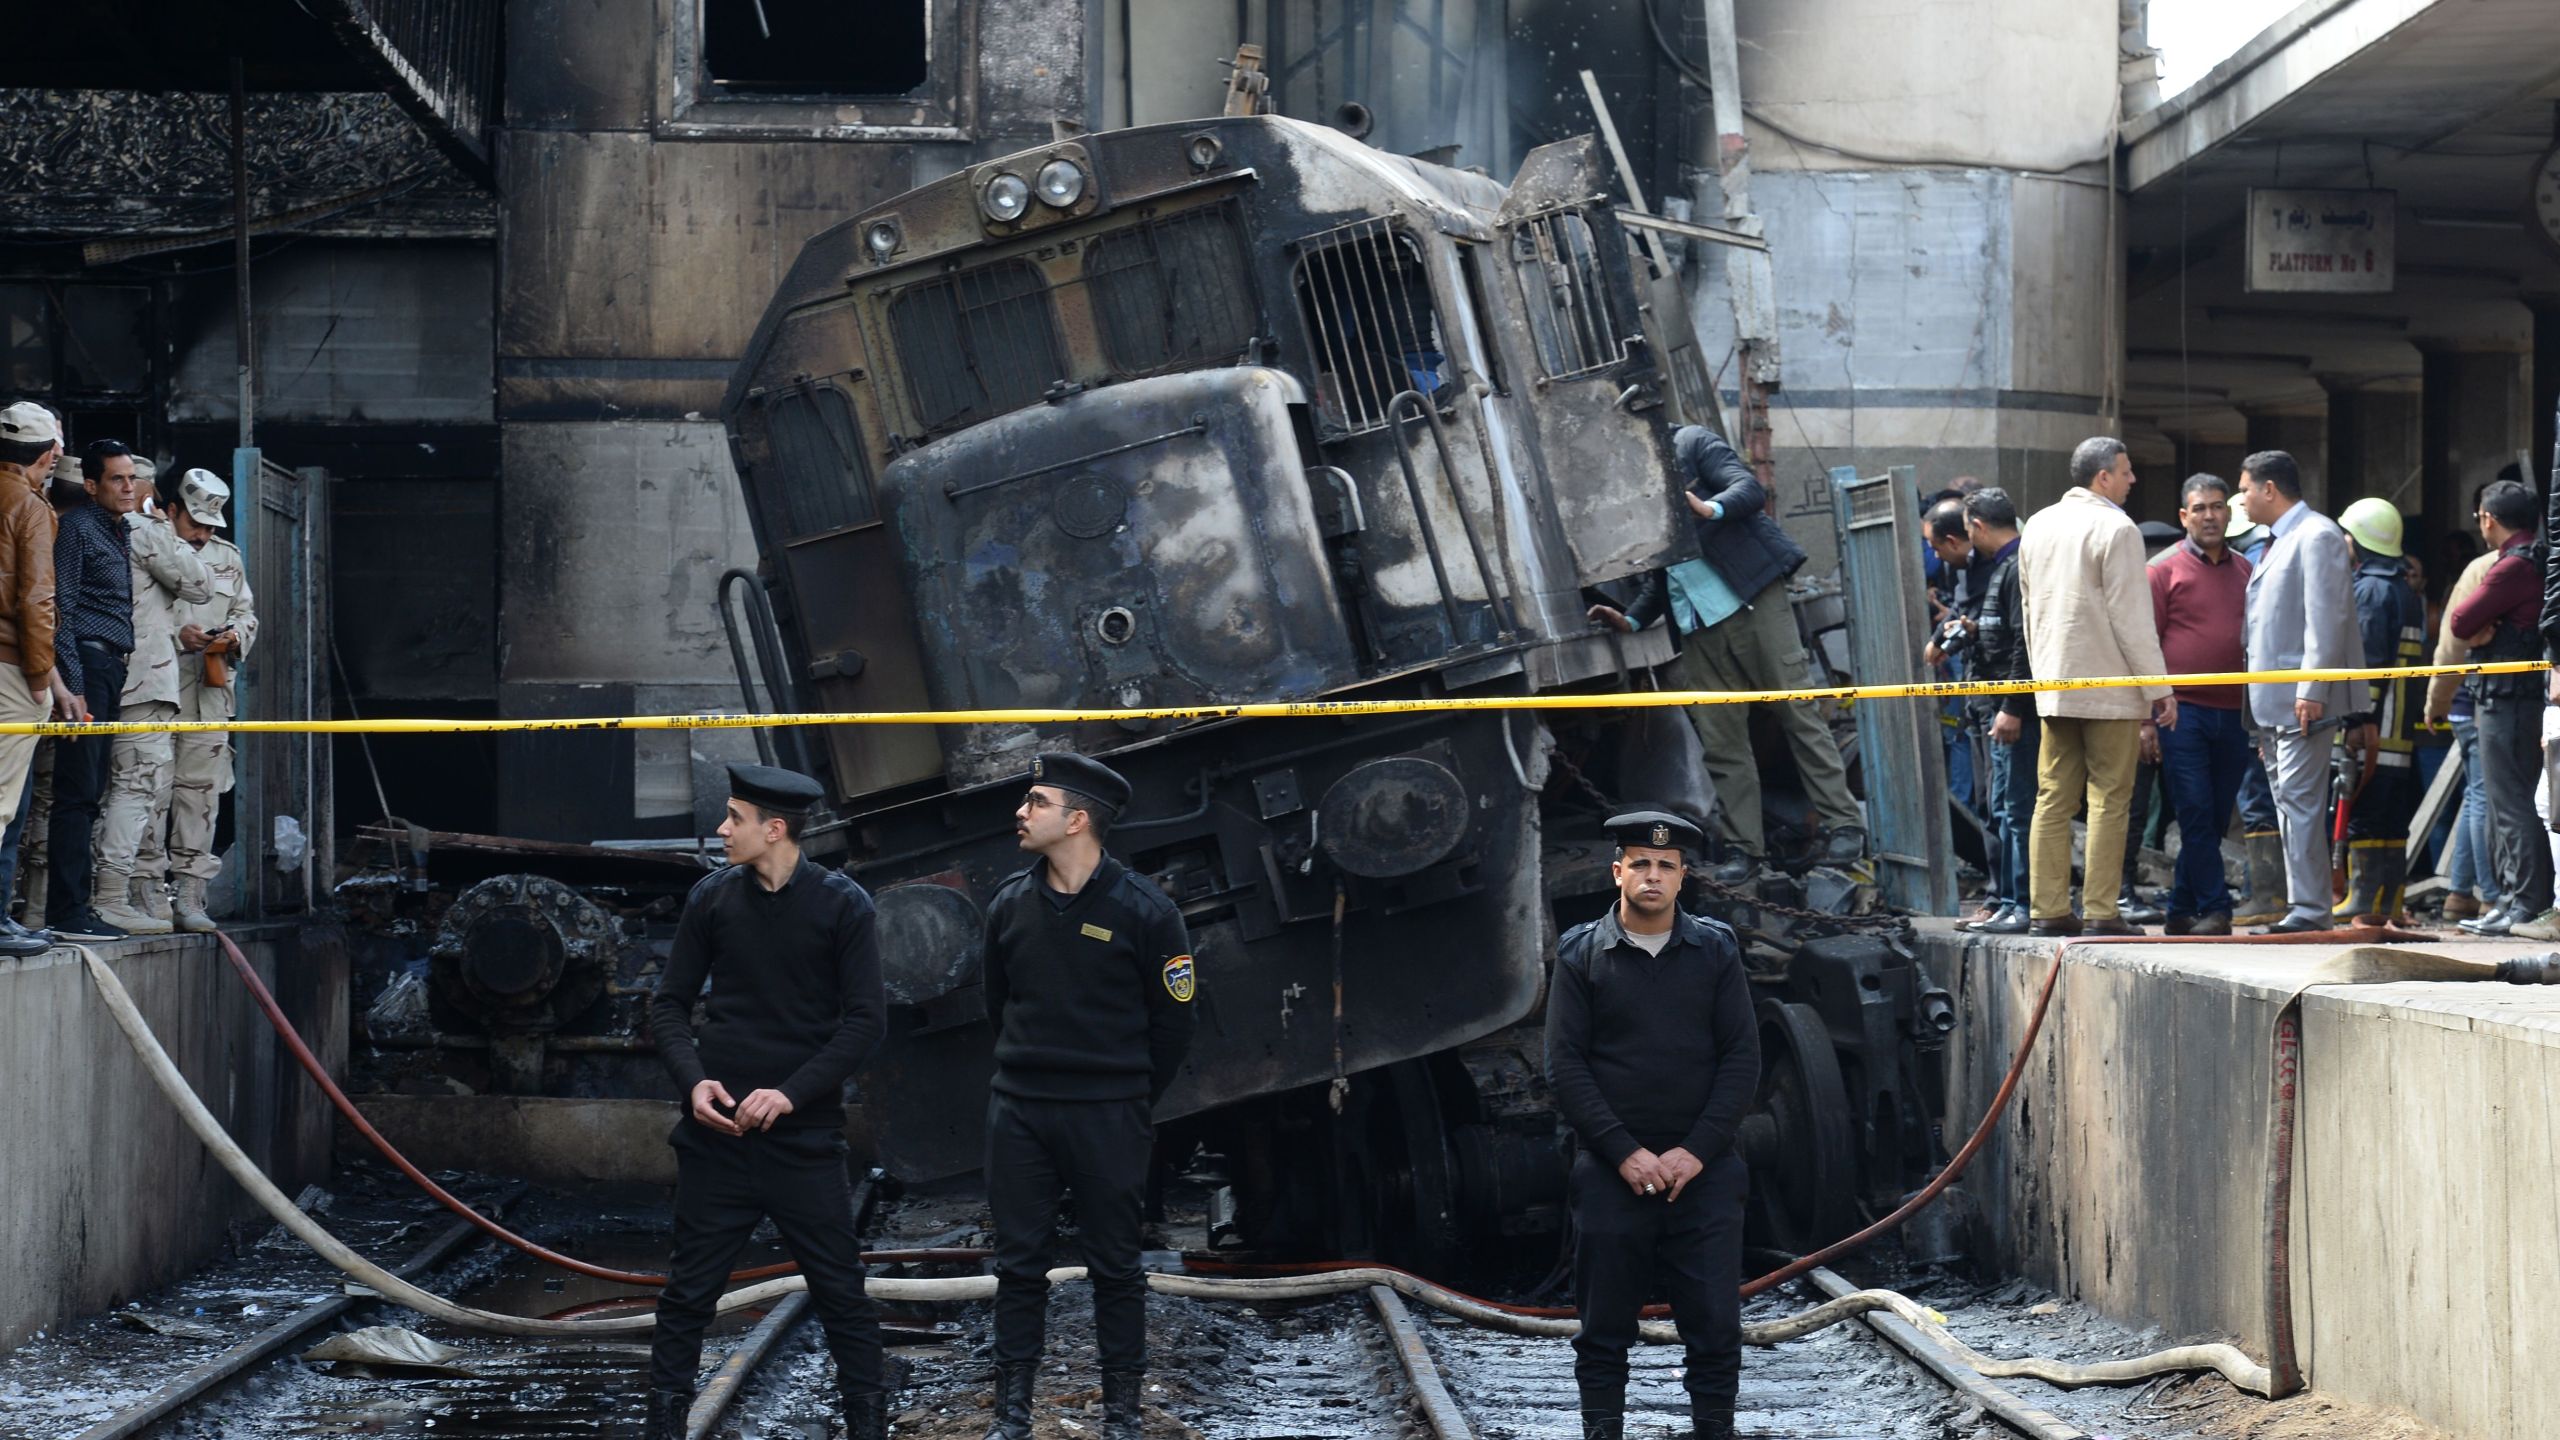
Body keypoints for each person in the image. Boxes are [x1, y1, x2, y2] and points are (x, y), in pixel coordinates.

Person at [645, 763, 888, 1440]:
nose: (721, 830)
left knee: (841, 1296)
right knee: (687, 1297)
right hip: (716, 1142)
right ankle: (663, 1427)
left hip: (803, 1145)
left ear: (774, 829)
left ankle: (870, 1427)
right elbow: (668, 1005)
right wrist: (692, 1080)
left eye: (734, 819)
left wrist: (788, 1094)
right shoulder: (712, 898)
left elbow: (866, 1023)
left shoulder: (843, 905)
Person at [979, 752, 1196, 1440]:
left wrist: (1124, 1092)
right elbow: (998, 1003)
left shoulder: (1148, 913)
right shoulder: (1009, 904)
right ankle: (1011, 1419)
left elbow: (1174, 1024)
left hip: (1109, 1115)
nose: (1021, 811)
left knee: (1115, 1269)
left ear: (1076, 821)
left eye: (1036, 802)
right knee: (1018, 1269)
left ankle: (1122, 1418)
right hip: (1020, 1111)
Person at [1545, 810, 1757, 1440]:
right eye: (1640, 863)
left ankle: (1714, 1430)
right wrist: (1624, 1153)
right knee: (1605, 1326)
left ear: (1683, 877)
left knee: (1716, 1323)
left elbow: (1742, 1057)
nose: (1653, 876)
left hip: (1706, 1174)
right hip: (1613, 1174)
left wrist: (1695, 1151)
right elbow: (1564, 1065)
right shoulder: (1583, 954)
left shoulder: (1715, 950)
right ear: (1617, 873)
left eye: (1666, 866)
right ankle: (1602, 1431)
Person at [1588, 425, 1864, 881]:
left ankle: (1844, 825)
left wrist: (1708, 507)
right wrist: (1633, 620)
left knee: (1798, 712)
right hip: (1696, 622)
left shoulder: (1690, 442)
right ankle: (1745, 850)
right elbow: (1663, 572)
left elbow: (1747, 488)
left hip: (1750, 598)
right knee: (1721, 743)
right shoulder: (1625, 482)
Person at [2014, 437, 2176, 936]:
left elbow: (2028, 609)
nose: (2132, 480)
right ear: (2103, 476)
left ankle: (2047, 909)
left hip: (2055, 682)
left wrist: (2043, 676)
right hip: (2108, 684)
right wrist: (2158, 687)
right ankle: (2102, 911)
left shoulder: (2038, 524)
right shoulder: (2115, 527)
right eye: (2126, 471)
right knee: (2110, 795)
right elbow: (2131, 617)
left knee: (2052, 797)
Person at [2236, 450, 2360, 934]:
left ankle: (2309, 910)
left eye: (2244, 489)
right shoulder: (2278, 539)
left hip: (2300, 698)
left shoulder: (2317, 535)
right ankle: (2302, 904)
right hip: (2271, 700)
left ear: (2269, 489)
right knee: (2289, 800)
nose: (2240, 500)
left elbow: (2325, 618)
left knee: (2302, 802)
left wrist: (2313, 688)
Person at [92, 460, 210, 936]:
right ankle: (110, 899)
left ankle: (50, 906)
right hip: (143, 679)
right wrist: (160, 525)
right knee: (134, 786)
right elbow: (200, 585)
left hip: (97, 673)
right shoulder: (143, 527)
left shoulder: (79, 524)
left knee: (84, 792)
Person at [46, 438, 153, 940]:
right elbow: (60, 609)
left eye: (131, 477)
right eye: (117, 478)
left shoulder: (119, 529)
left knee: (92, 790)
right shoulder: (77, 529)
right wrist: (73, 682)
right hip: (86, 665)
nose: (128, 487)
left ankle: (74, 908)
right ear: (91, 485)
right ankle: (67, 912)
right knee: (77, 792)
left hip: (109, 666)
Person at [2145, 474, 2252, 935]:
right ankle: (2216, 908)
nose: (2210, 515)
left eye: (2218, 506)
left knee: (2212, 814)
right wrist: (2146, 715)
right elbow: (2144, 642)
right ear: (2184, 516)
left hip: (2235, 712)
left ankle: (2179, 910)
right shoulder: (2162, 570)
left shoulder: (2248, 569)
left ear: (2229, 513)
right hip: (2180, 710)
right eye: (2200, 508)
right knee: (2193, 809)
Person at [2444, 480, 2551, 937]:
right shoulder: (2541, 559)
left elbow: (2462, 620)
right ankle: (2511, 900)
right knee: (2514, 799)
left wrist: (2487, 625)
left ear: (2489, 519)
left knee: (2510, 803)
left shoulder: (2511, 567)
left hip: (2506, 697)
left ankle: (2522, 902)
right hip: (2519, 695)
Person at [158, 469, 255, 932]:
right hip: (154, 690)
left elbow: (245, 611)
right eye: (195, 523)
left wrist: (236, 634)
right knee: (147, 792)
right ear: (171, 510)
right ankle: (145, 895)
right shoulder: (149, 547)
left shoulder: (227, 557)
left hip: (211, 692)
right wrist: (180, 636)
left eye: (211, 526)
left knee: (200, 797)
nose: (203, 534)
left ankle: (191, 897)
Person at [2332, 498, 2425, 922]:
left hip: (2374, 723)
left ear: (2360, 540)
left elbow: (2366, 661)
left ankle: (2363, 898)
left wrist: (2357, 720)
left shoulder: (2369, 588)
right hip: (2400, 726)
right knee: (2391, 812)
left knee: (2365, 807)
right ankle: (2389, 899)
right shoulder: (2405, 589)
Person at [0, 402, 70, 957]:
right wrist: (42, 677)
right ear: (48, 455)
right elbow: (36, 599)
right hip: (9, 667)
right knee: (3, 800)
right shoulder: (31, 505)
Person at [1961, 488, 2034, 934]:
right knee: (2003, 807)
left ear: (1978, 526)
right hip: (1999, 707)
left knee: (2016, 807)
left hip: (2013, 712)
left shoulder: (2016, 567)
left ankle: (2020, 903)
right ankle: (2008, 900)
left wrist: (2011, 707)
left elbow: (2023, 642)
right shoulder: (2001, 567)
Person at [2425, 531, 2506, 921]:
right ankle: (2489, 894)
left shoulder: (2484, 571)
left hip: (2464, 701)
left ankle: (2460, 892)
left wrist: (2438, 701)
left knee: (2477, 798)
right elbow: (2452, 642)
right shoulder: (2493, 570)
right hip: (2475, 703)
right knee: (2482, 798)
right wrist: (2436, 700)